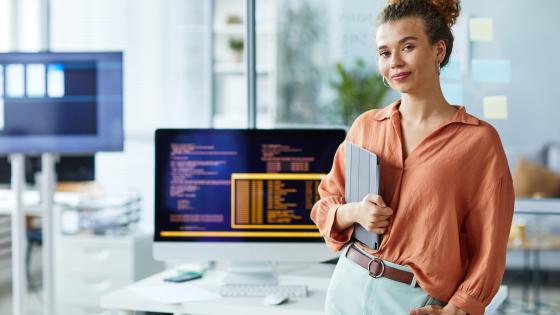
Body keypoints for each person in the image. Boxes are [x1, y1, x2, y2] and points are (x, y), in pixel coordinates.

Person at [310, 0, 515, 314]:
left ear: (438, 51)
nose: (395, 62)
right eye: (385, 52)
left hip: (415, 301)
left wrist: (458, 309)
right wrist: (354, 212)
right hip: (347, 285)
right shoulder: (366, 126)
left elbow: (490, 247)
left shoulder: (479, 142)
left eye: (407, 47)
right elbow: (326, 204)